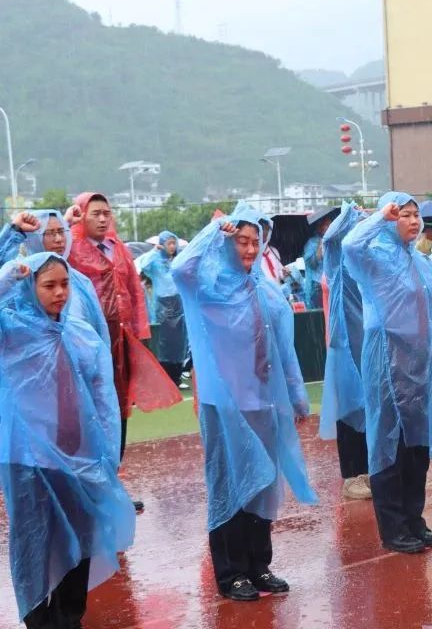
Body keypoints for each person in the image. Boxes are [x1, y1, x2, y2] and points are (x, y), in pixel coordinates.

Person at [171, 202, 318, 602]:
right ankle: (231, 572)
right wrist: (214, 231)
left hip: (265, 402)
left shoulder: (265, 287)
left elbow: (283, 346)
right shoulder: (205, 285)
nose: (250, 250)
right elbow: (179, 268)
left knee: (263, 484)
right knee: (230, 482)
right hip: (225, 405)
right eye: (241, 241)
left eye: (255, 241)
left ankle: (259, 564)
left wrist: (297, 393)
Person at [0, 253, 135, 629]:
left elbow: (102, 395)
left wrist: (107, 450)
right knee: (35, 540)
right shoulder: (11, 331)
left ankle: (70, 617)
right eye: (49, 285)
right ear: (30, 287)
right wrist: (11, 272)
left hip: (79, 451)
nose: (60, 293)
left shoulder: (80, 332)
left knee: (82, 535)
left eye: (64, 284)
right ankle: (40, 620)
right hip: (30, 458)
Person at [342, 192, 432, 554]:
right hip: (387, 361)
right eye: (403, 215)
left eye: (414, 215)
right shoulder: (374, 257)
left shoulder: (420, 261)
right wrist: (381, 216)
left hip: (419, 365)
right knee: (389, 445)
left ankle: (414, 519)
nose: (411, 220)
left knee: (417, 447)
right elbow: (349, 244)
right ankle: (393, 528)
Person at [65, 193, 181, 513]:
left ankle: (112, 485)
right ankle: (88, 491)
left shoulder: (119, 249)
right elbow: (47, 252)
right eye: (95, 213)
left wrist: (139, 333)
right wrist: (65, 222)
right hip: (85, 343)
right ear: (82, 216)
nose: (103, 219)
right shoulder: (70, 247)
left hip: (121, 342)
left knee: (118, 413)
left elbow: (133, 290)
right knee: (88, 413)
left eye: (107, 213)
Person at [318, 201, 371, 501]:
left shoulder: (364, 265)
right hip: (344, 346)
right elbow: (331, 236)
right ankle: (351, 475)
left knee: (367, 407)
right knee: (348, 409)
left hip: (367, 344)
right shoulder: (336, 262)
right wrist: (351, 213)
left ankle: (366, 471)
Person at [0, 209, 109, 343]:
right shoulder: (17, 279)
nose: (59, 239)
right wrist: (15, 230)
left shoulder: (80, 281)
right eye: (50, 233)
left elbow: (98, 332)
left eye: (61, 231)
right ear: (34, 238)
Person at [136, 231, 188, 386]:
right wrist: (154, 252)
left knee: (179, 341)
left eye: (174, 243)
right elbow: (142, 266)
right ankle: (165, 377)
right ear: (162, 244)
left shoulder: (178, 259)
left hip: (178, 303)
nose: (172, 246)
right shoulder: (155, 260)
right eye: (169, 243)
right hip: (162, 305)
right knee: (163, 341)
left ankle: (177, 376)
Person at [302, 210, 336, 310]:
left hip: (332, 284)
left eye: (330, 224)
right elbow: (311, 264)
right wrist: (321, 247)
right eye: (327, 225)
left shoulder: (334, 242)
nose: (330, 227)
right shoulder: (312, 243)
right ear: (320, 228)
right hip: (318, 286)